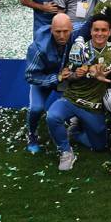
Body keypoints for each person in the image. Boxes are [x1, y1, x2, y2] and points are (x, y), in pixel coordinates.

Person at [45, 15, 111, 170]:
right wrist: (76, 74)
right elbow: (69, 75)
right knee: (52, 116)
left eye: (103, 30)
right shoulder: (79, 49)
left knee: (100, 146)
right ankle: (66, 152)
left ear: (109, 32)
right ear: (91, 31)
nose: (99, 33)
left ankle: (75, 132)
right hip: (72, 99)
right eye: (96, 30)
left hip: (93, 106)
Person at [24, 13, 75, 153]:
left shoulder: (77, 38)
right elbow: (30, 76)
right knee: (36, 108)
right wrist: (56, 78)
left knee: (78, 103)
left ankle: (75, 128)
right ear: (51, 29)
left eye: (66, 31)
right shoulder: (37, 47)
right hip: (43, 80)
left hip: (66, 80)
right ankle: (32, 135)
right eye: (58, 31)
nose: (62, 36)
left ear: (72, 28)